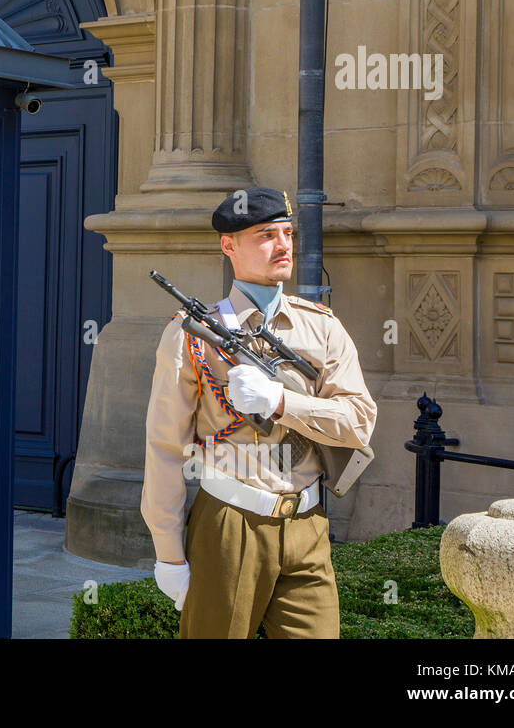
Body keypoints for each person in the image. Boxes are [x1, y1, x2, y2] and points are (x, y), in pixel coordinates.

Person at [141, 186, 376, 638]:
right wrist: (168, 553)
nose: (284, 245)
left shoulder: (322, 327)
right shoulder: (191, 335)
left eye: (287, 232)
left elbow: (359, 419)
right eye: (266, 234)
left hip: (308, 523)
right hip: (230, 522)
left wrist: (282, 402)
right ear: (228, 246)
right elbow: (166, 448)